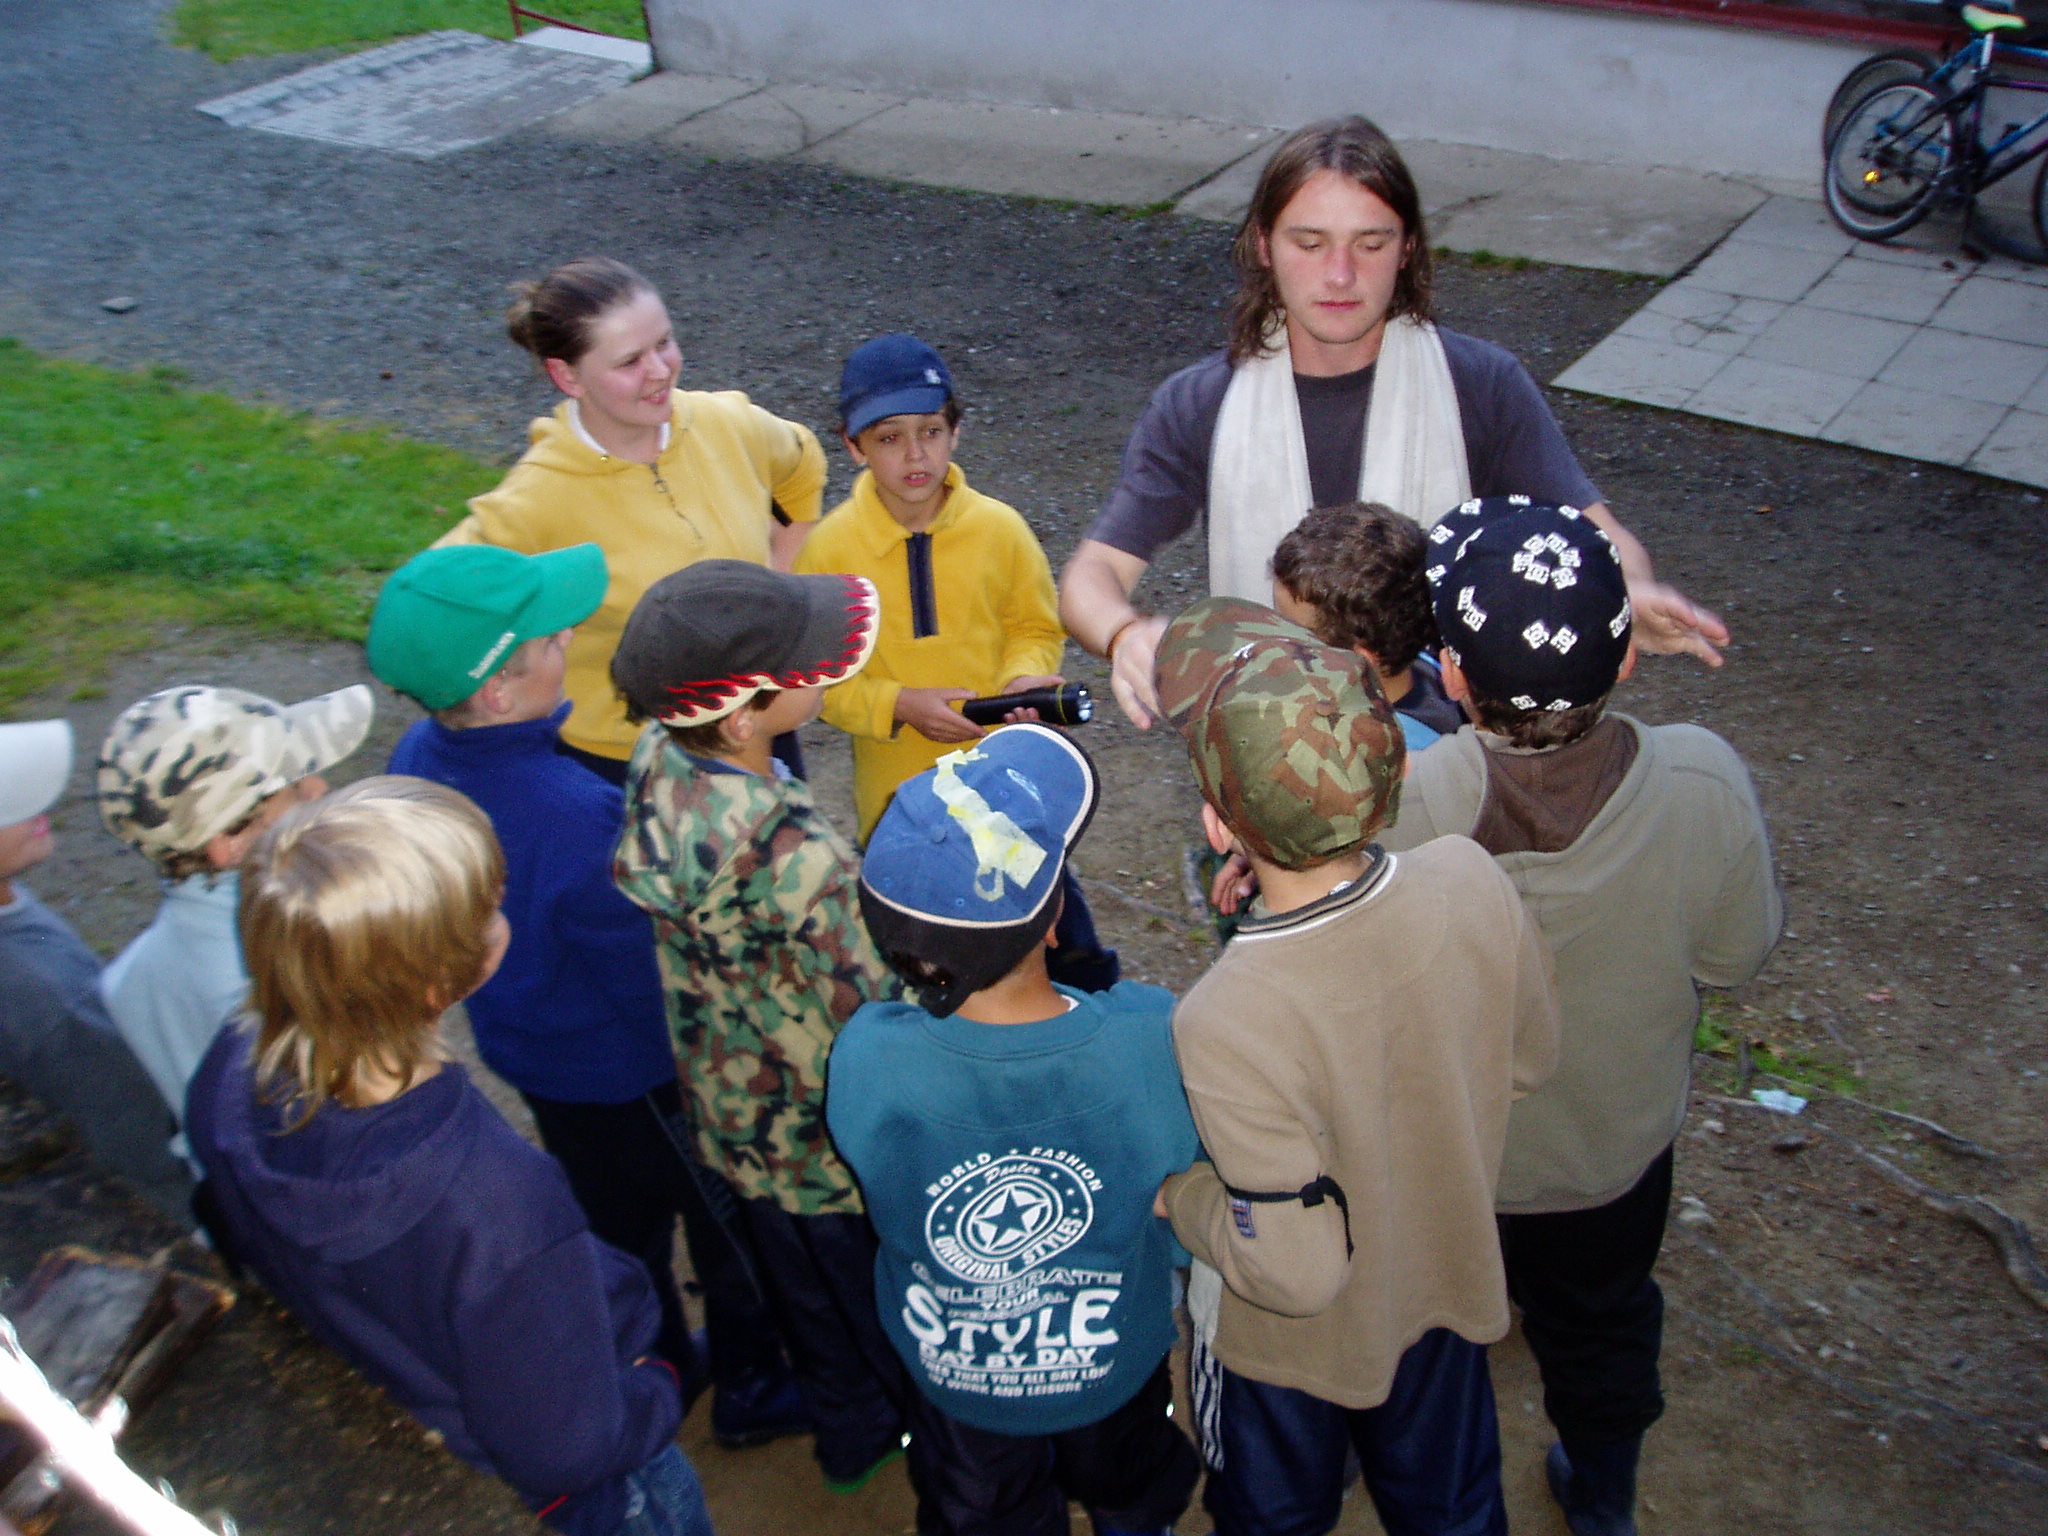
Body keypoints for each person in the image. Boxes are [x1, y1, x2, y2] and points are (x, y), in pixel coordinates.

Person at [1376, 497, 1782, 1536]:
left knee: (1433, 1324)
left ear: (1451, 674)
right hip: (1611, 1152)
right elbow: (1732, 958)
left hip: (1456, 1162)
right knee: (1602, 1324)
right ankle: (1602, 1492)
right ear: (1628, 657)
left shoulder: (1403, 808)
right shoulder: (1701, 779)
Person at [1056, 114, 1728, 730]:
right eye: (1310, 243)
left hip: (1450, 764)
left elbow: (1600, 535)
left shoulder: (1479, 384)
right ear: (1263, 245)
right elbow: (1092, 575)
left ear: (1407, 248)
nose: (1340, 274)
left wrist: (1627, 591)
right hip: (1266, 761)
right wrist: (1126, 633)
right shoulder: (1201, 403)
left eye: (1371, 243)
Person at [185, 776, 713, 1536]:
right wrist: (655, 1382)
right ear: (442, 983)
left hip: (422, 1420)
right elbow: (571, 1449)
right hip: (599, 1490)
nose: (502, 915)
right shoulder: (495, 1199)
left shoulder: (228, 1076)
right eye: (490, 908)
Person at [365, 542, 806, 1451]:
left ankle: (658, 1359)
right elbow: (648, 981)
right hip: (641, 1075)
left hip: (538, 1057)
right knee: (724, 1222)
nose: (567, 636)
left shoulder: (420, 759)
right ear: (499, 690)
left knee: (618, 1222)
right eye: (545, 637)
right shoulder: (575, 814)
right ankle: (754, 1385)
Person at [1152, 596, 1560, 1536]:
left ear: (1218, 825)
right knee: (1452, 1510)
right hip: (1444, 1286)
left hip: (1291, 1353)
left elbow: (1293, 1273)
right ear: (1393, 773)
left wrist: (1185, 1199)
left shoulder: (1226, 1016)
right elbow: (1530, 1062)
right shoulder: (1471, 877)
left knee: (1273, 1516)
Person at [827, 724, 1202, 1536]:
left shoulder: (865, 1056)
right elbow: (1181, 1209)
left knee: (985, 1509)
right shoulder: (1145, 1038)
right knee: (1129, 1486)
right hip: (1110, 1358)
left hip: (954, 1375)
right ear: (1056, 917)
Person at [609, 561, 914, 1494]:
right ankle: (914, 1426)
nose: (826, 672)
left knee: (802, 1296)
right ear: (743, 718)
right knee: (874, 1300)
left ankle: (850, 1438)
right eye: (804, 666)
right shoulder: (796, 857)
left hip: (737, 1114)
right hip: (829, 1139)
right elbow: (876, 1002)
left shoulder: (659, 758)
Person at [794, 332, 1117, 990]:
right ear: (853, 446)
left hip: (1003, 791)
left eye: (932, 432)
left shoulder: (1000, 530)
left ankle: (1087, 1019)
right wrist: (897, 705)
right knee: (931, 969)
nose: (916, 454)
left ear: (956, 432)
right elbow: (819, 684)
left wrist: (1022, 678)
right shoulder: (827, 553)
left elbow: (1033, 625)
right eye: (889, 438)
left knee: (1063, 947)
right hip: (899, 808)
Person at [436, 255, 827, 782]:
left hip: (758, 729)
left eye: (664, 343)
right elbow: (431, 610)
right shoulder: (533, 500)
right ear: (566, 374)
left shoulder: (727, 424)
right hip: (626, 764)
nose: (660, 370)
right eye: (630, 361)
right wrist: (503, 706)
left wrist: (782, 584)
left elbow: (803, 462)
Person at [97, 682, 373, 1136]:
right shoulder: (299, 969)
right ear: (229, 844)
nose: (318, 788)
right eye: (293, 786)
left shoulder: (129, 981)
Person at [0, 719, 191, 1218]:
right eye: (12, 806)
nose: (40, 807)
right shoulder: (45, 997)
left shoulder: (7, 899)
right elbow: (142, 1127)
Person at [1271, 500, 1461, 750]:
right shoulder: (1428, 667)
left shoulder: (1376, 756)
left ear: (1357, 663)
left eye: (1291, 633)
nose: (1273, 639)